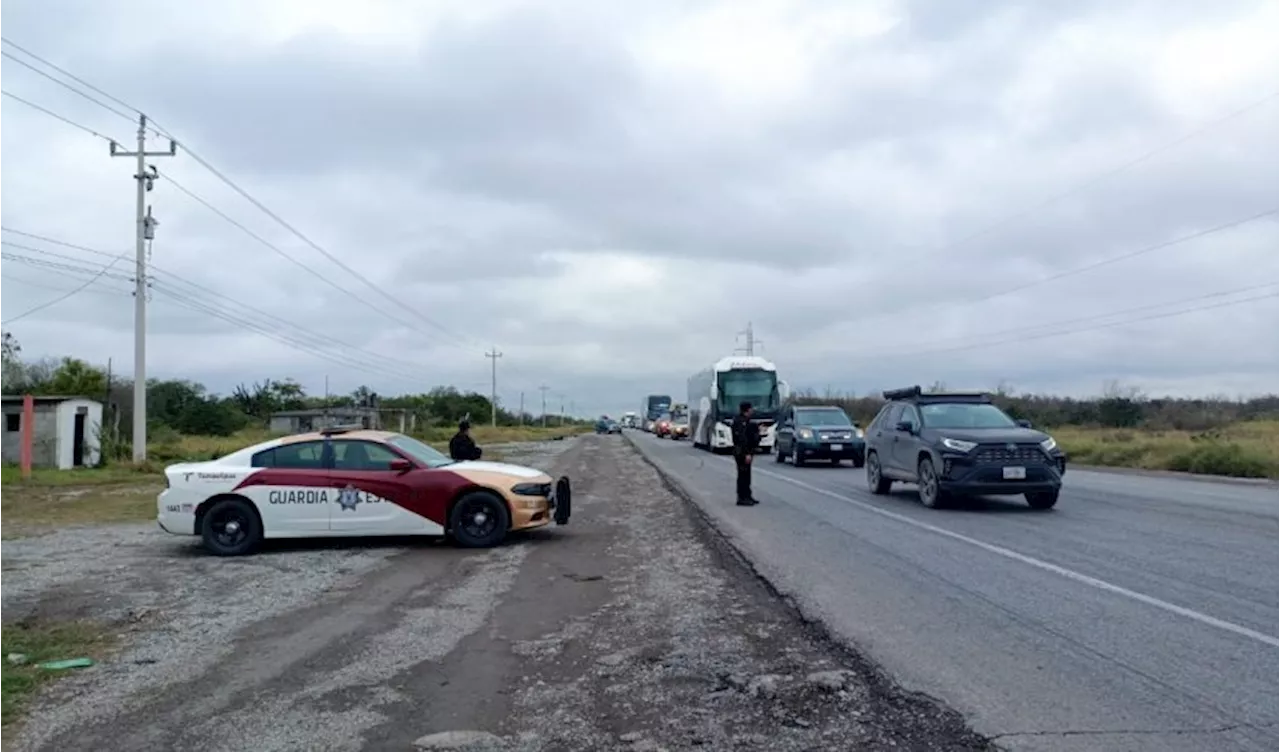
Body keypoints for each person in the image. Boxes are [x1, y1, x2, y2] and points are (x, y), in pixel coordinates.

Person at [730, 401, 759, 506]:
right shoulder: (740, 422)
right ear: (747, 410)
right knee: (743, 475)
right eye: (751, 409)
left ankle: (747, 495)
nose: (752, 410)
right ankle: (742, 497)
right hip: (741, 452)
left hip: (746, 451)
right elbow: (742, 439)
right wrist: (746, 453)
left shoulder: (746, 421)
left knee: (747, 475)